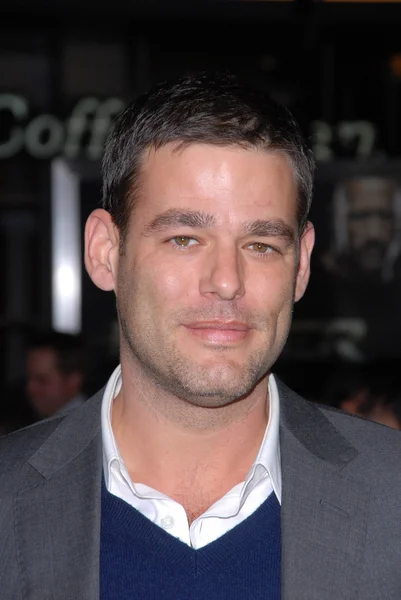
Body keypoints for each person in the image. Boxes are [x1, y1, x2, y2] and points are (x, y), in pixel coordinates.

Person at [1, 72, 401, 600]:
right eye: (184, 238)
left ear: (301, 265)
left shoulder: (390, 493)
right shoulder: (9, 502)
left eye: (261, 245)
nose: (227, 282)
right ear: (104, 253)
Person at [25, 331, 88, 418]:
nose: (31, 388)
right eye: (29, 378)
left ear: (73, 381)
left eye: (42, 380)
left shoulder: (84, 425)